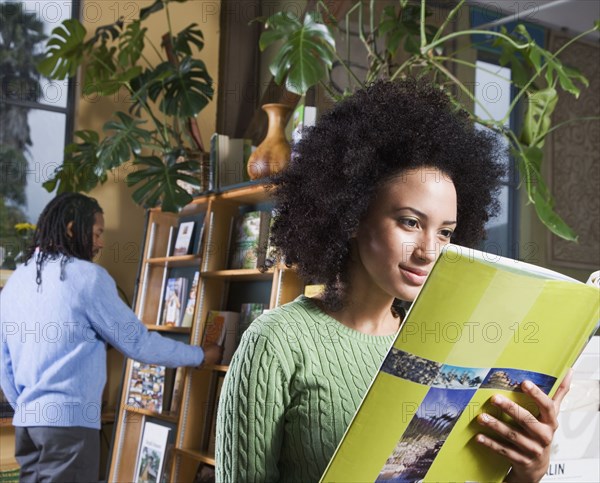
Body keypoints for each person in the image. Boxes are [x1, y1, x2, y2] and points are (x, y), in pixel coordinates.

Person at [215, 80, 570, 482]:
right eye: (410, 222)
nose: (428, 251)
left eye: (445, 232)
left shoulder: (444, 341)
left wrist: (529, 471)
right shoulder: (276, 344)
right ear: (351, 216)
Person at [0, 193, 221, 482]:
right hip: (69, 427)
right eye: (97, 233)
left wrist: (29, 410)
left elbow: (5, 365)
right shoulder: (87, 277)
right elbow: (139, 344)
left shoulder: (17, 281)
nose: (101, 243)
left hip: (28, 426)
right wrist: (201, 356)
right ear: (71, 229)